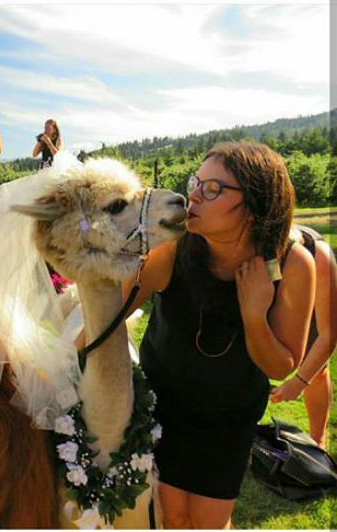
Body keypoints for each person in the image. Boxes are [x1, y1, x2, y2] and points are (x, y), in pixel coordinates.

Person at [122, 141, 315, 528]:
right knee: (170, 519)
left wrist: (254, 316)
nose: (193, 194)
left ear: (256, 201)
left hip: (227, 422)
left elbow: (280, 366)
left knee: (208, 522)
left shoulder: (293, 264)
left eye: (212, 189)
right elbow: (109, 313)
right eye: (197, 181)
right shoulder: (172, 250)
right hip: (164, 411)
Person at [271, 225, 336, 449]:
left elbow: (328, 334)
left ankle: (318, 440)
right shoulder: (252, 251)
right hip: (267, 295)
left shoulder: (319, 256)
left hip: (311, 302)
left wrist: (299, 382)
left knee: (317, 371)